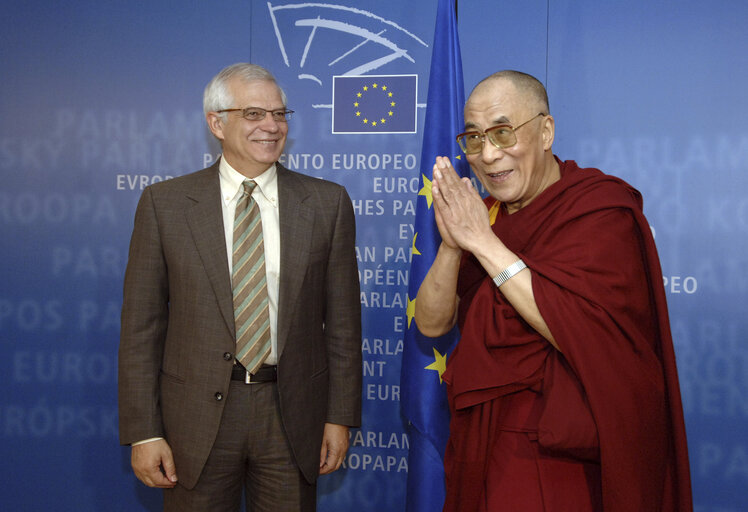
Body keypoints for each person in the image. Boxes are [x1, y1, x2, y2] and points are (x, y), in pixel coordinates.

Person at [414, 70, 692, 511]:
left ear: (546, 131)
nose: (488, 155)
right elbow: (431, 325)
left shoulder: (598, 211)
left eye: (503, 134)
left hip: (563, 451)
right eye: (473, 139)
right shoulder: (482, 216)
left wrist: (484, 244)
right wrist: (452, 247)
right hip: (485, 438)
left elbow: (577, 329)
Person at [118, 63, 362, 512]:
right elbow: (141, 328)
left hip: (292, 416)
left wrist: (339, 416)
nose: (272, 125)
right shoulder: (165, 205)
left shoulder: (327, 204)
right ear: (217, 123)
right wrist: (144, 430)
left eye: (279, 113)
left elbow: (344, 325)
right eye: (253, 114)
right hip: (195, 419)